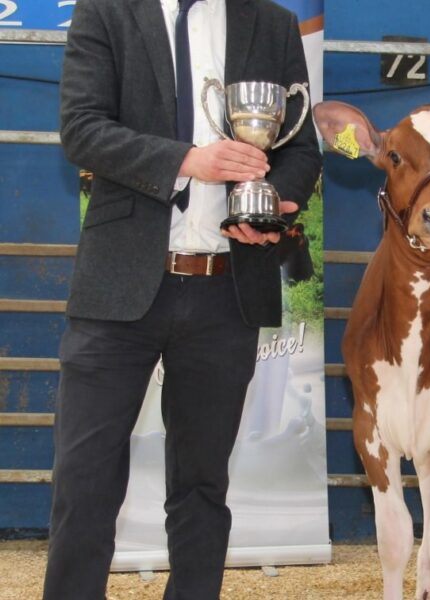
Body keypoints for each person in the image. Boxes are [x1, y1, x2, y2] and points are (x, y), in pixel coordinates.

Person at [43, 0, 321, 598]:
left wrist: (272, 204)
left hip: (228, 292)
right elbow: (82, 128)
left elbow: (300, 148)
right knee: (84, 483)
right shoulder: (105, 12)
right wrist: (190, 161)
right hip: (117, 291)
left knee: (201, 488)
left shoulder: (270, 23)